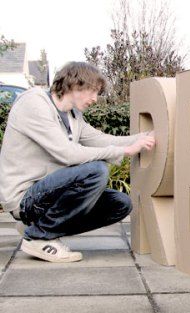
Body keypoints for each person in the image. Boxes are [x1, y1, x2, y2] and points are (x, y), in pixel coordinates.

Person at [0, 62, 155, 263]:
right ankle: (38, 236)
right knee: (96, 171)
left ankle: (39, 227)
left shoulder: (73, 116)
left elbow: (102, 139)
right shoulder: (34, 104)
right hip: (24, 198)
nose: (95, 99)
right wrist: (124, 150)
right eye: (93, 91)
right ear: (74, 84)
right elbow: (67, 154)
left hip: (47, 196)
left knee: (120, 204)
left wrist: (146, 137)